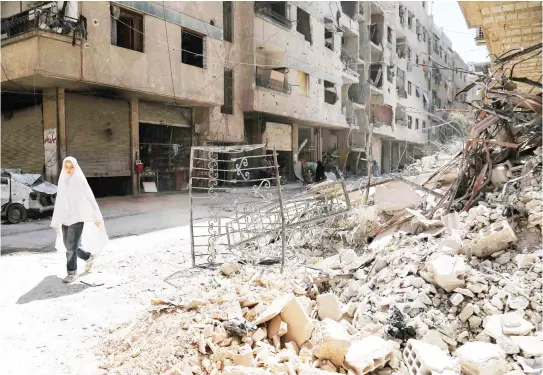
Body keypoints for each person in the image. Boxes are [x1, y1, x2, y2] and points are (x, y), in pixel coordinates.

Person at [51, 157, 107, 283]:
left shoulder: (80, 181)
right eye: (66, 167)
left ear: (75, 168)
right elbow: (60, 200)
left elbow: (89, 199)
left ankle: (72, 272)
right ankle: (88, 257)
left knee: (71, 246)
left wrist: (95, 216)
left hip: (77, 218)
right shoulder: (63, 180)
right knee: (68, 245)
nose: (69, 170)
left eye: (71, 167)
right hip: (66, 217)